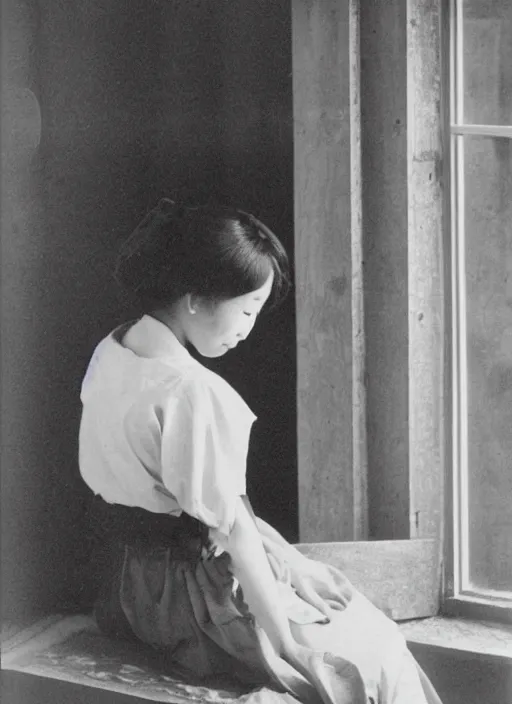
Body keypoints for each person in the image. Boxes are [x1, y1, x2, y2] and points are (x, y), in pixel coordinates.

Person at [78, 198, 443, 704]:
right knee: (373, 650)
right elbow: (231, 530)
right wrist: (289, 644)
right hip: (184, 599)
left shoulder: (115, 348)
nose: (249, 328)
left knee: (329, 595)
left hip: (125, 581)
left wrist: (292, 563)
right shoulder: (192, 392)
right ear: (197, 299)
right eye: (247, 309)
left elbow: (196, 507)